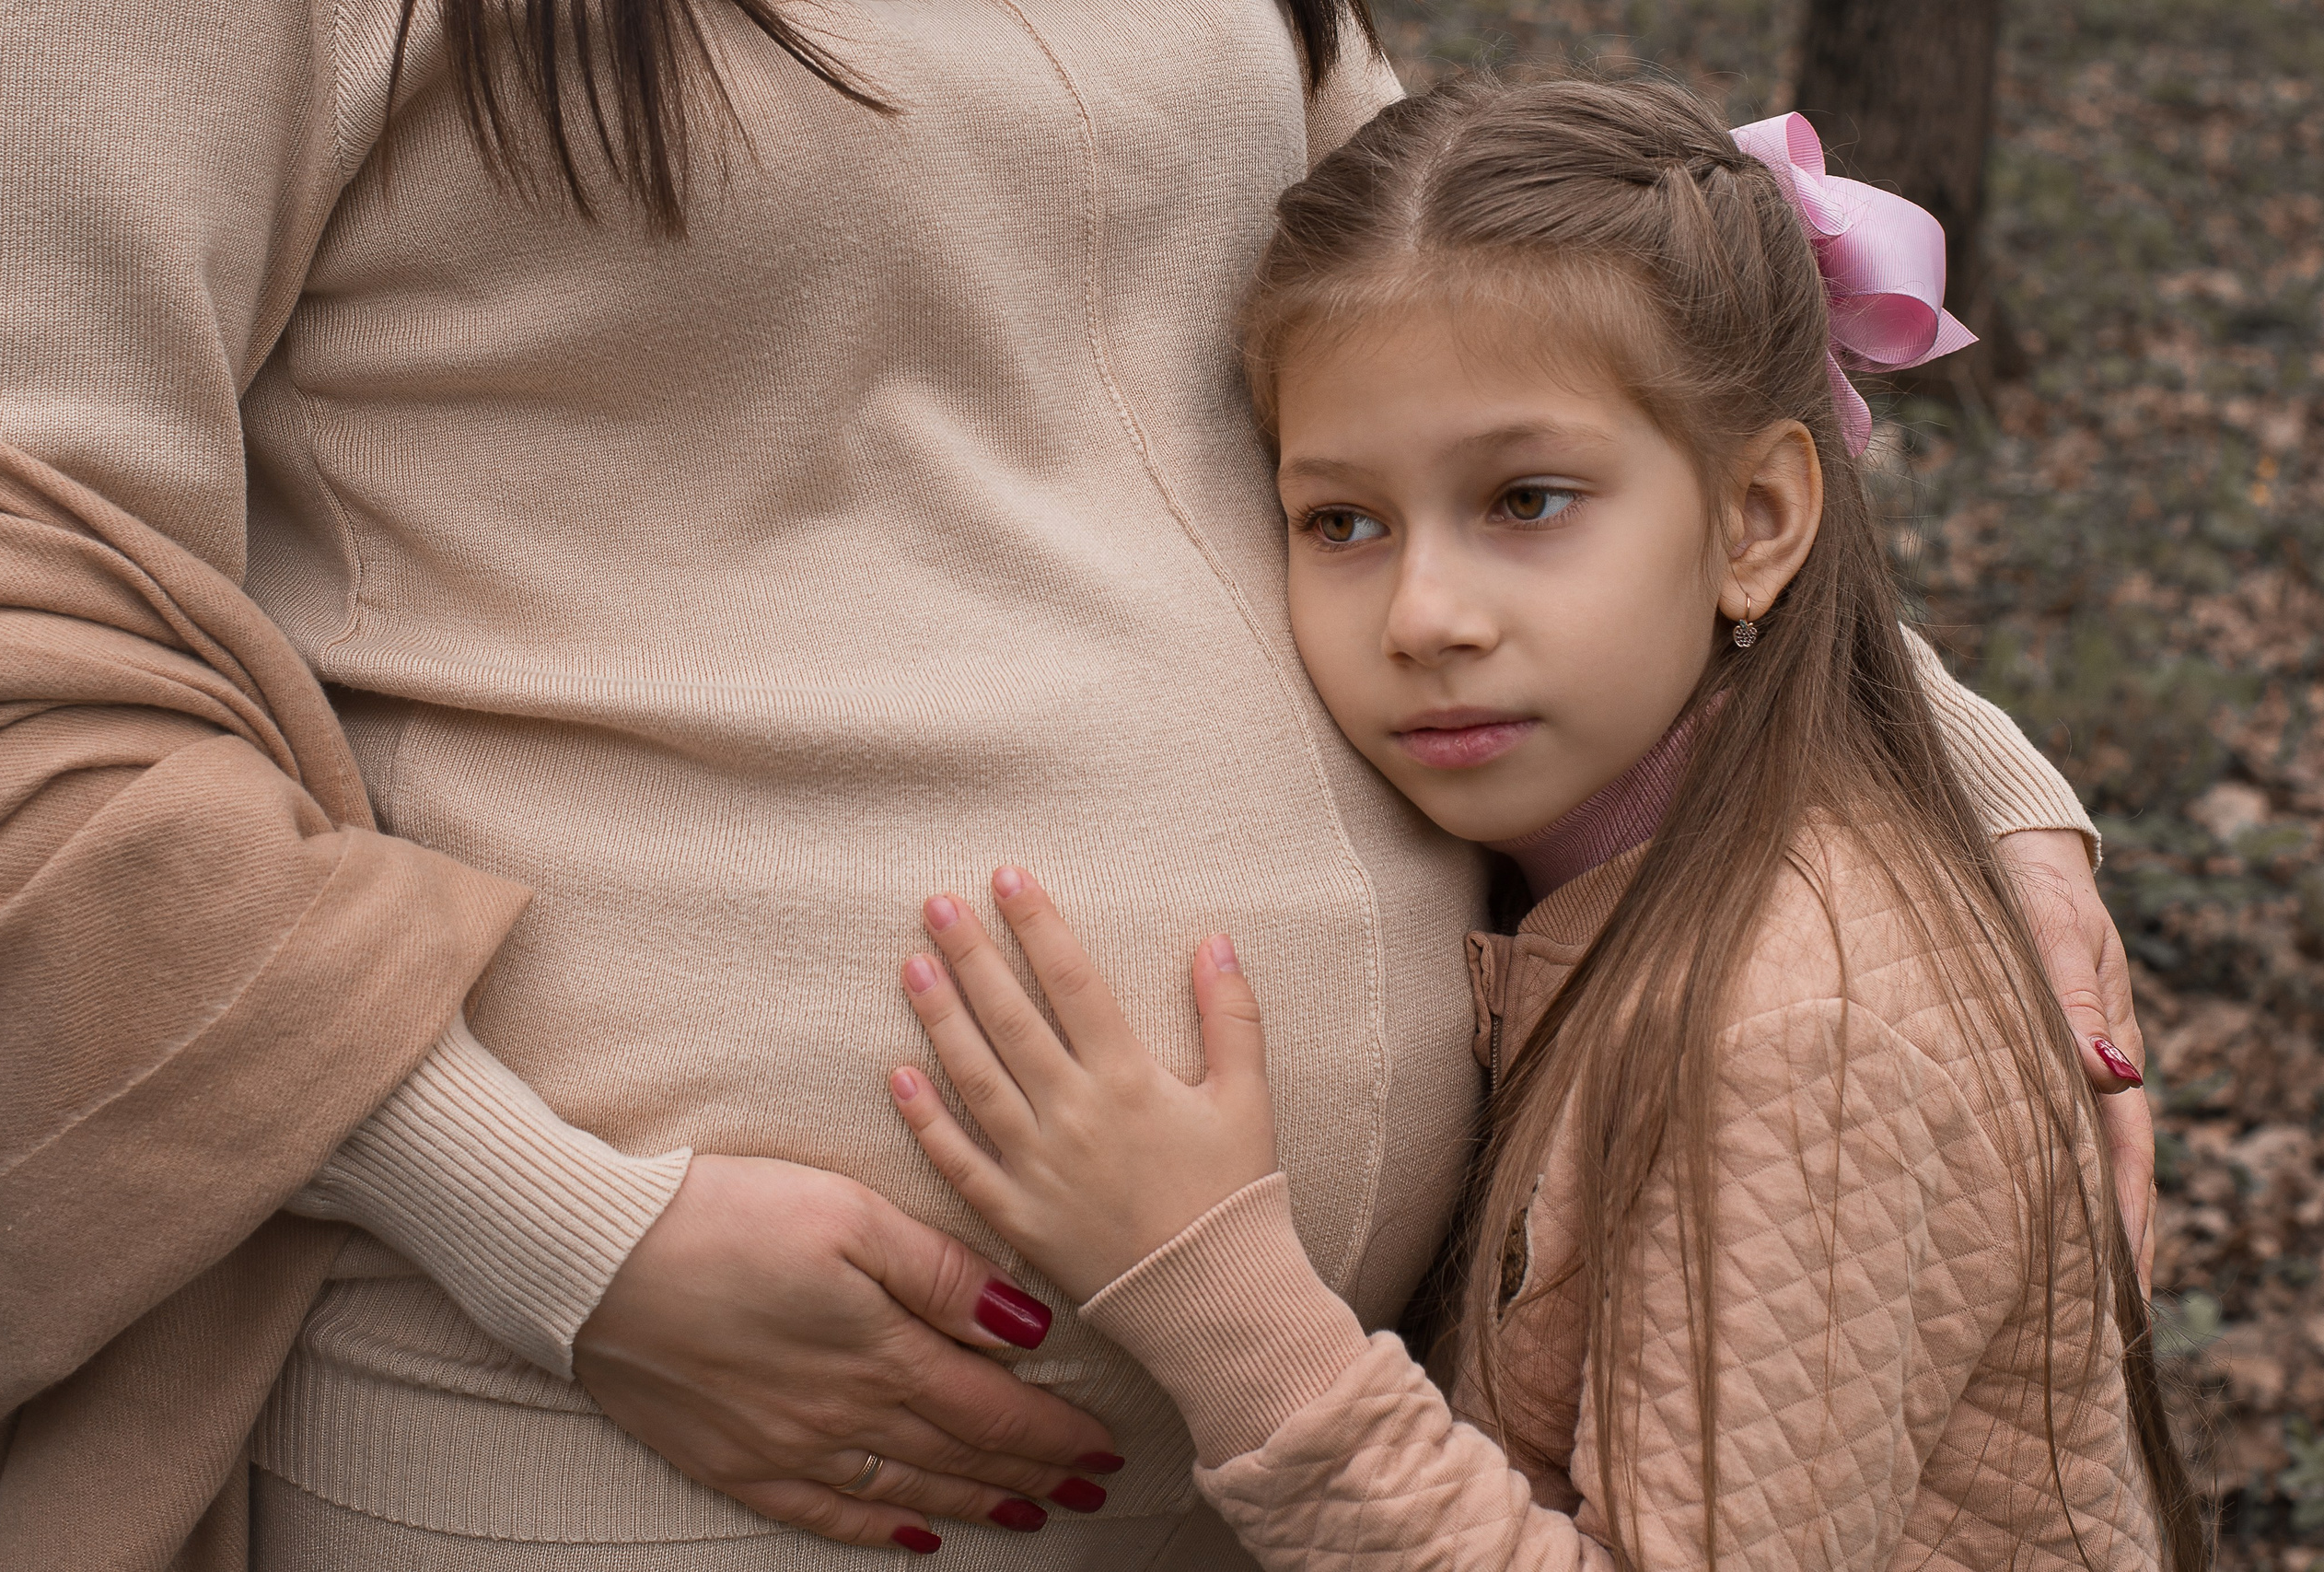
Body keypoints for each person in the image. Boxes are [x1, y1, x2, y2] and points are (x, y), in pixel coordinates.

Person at [0, 2, 2143, 1566]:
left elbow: (1514, 350)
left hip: (1340, 1426)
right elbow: (7, 625)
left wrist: (1959, 778)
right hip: (647, 1441)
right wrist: (556, 1233)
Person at [887, 76, 2201, 1570]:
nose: (1425, 617)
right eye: (1342, 522)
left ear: (1760, 521)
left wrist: (1220, 1297)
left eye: (1528, 498)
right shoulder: (1626, 871)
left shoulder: (1792, 1023)